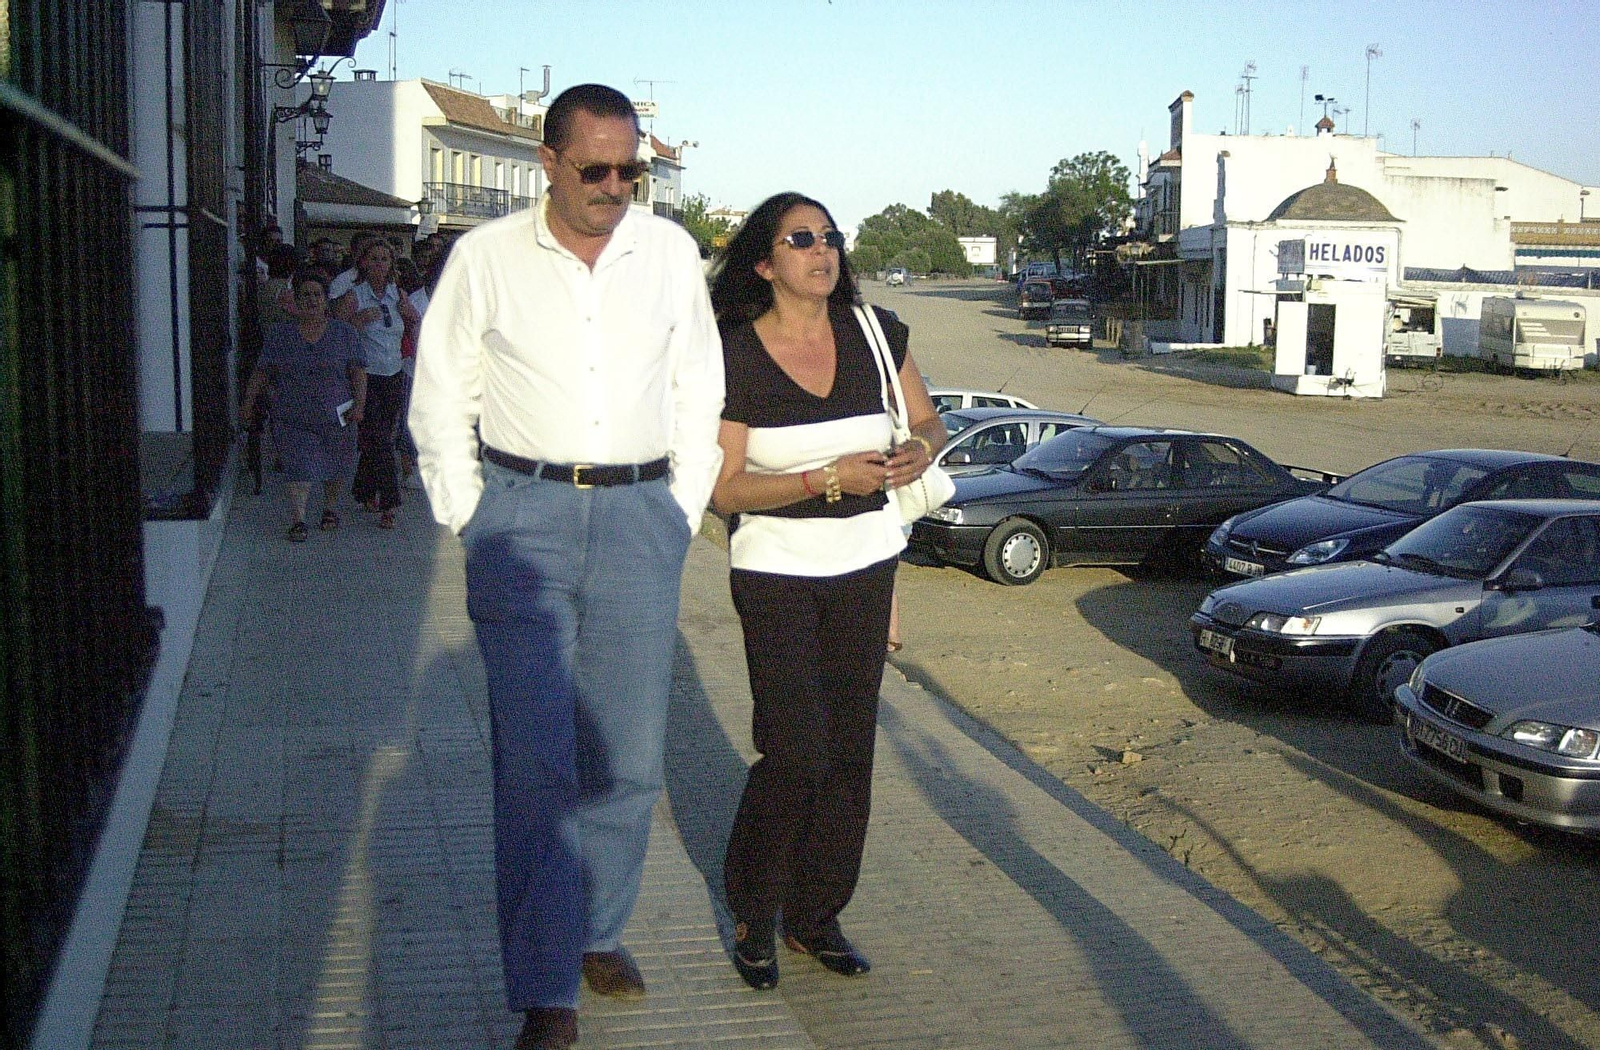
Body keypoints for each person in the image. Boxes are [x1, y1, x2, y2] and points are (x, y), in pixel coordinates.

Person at [408, 83, 723, 1050]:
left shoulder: (666, 252)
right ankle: (549, 991)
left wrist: (678, 509)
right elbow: (439, 394)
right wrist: (473, 515)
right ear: (548, 161)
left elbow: (697, 388)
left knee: (629, 759)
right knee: (535, 764)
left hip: (640, 517)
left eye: (633, 170)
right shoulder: (486, 257)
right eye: (596, 169)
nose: (616, 187)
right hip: (524, 516)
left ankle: (596, 929)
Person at [706, 192, 945, 990]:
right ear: (765, 263)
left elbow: (928, 421)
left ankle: (816, 916)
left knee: (850, 750)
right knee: (796, 750)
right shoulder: (734, 351)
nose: (823, 250)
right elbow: (726, 491)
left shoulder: (876, 333)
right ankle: (753, 909)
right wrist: (823, 479)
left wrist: (916, 448)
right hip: (776, 570)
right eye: (801, 239)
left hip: (865, 565)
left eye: (830, 237)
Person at [239, 269, 365, 540]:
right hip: (292, 416)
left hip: (337, 414)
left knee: (337, 464)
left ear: (326, 299)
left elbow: (357, 372)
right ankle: (299, 520)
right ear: (295, 299)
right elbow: (262, 371)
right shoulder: (280, 334)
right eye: (305, 295)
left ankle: (329, 508)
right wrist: (247, 405)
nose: (311, 300)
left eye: (316, 295)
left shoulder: (344, 333)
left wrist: (360, 404)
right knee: (298, 468)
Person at [335, 238, 416, 528]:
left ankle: (364, 490)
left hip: (393, 372)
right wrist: (356, 321)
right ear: (364, 263)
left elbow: (413, 322)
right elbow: (336, 333)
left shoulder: (398, 294)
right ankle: (390, 502)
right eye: (374, 259)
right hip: (365, 377)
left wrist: (410, 319)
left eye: (385, 259)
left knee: (380, 439)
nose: (380, 264)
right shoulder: (354, 296)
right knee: (379, 439)